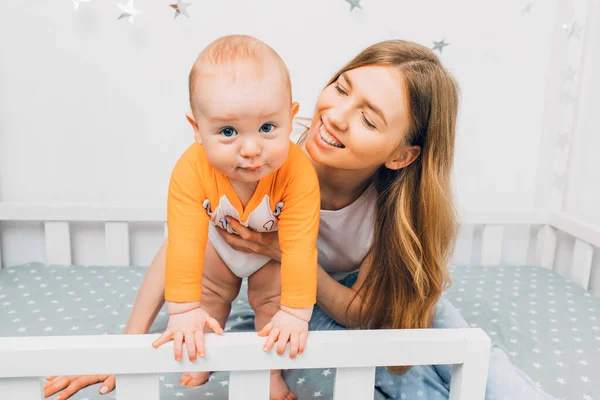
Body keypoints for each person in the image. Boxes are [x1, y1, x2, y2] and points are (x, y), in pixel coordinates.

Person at [44, 39, 553, 400]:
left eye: (369, 118)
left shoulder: (394, 210)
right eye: (340, 87)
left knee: (464, 348)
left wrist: (287, 256)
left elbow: (368, 313)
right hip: (305, 302)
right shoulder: (264, 158)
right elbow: (185, 244)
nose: (334, 114)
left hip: (367, 300)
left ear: (400, 155)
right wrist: (123, 346)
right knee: (353, 373)